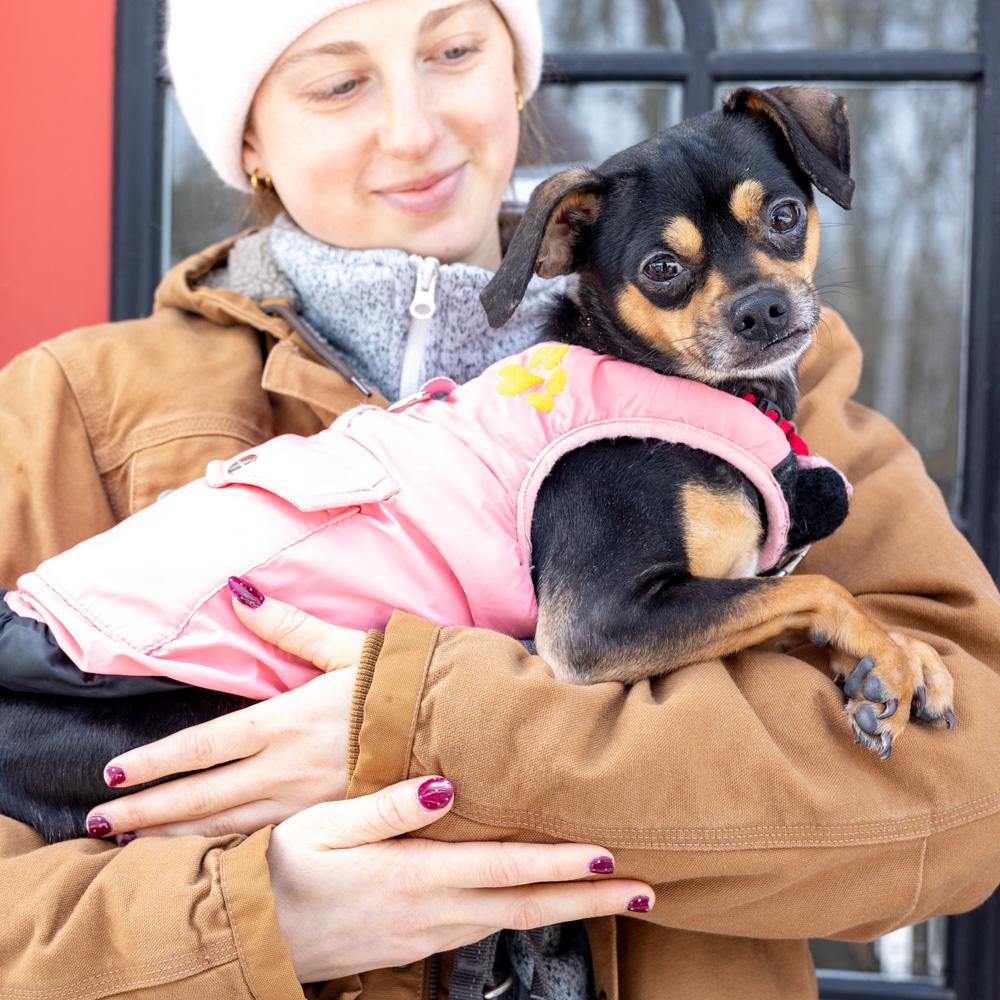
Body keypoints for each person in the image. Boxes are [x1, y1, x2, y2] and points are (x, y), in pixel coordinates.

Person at [0, 0, 998, 998]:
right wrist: (263, 920)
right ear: (248, 140)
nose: (414, 127)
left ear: (515, 74)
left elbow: (968, 798)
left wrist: (448, 739)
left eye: (454, 50)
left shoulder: (782, 423)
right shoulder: (70, 414)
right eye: (340, 81)